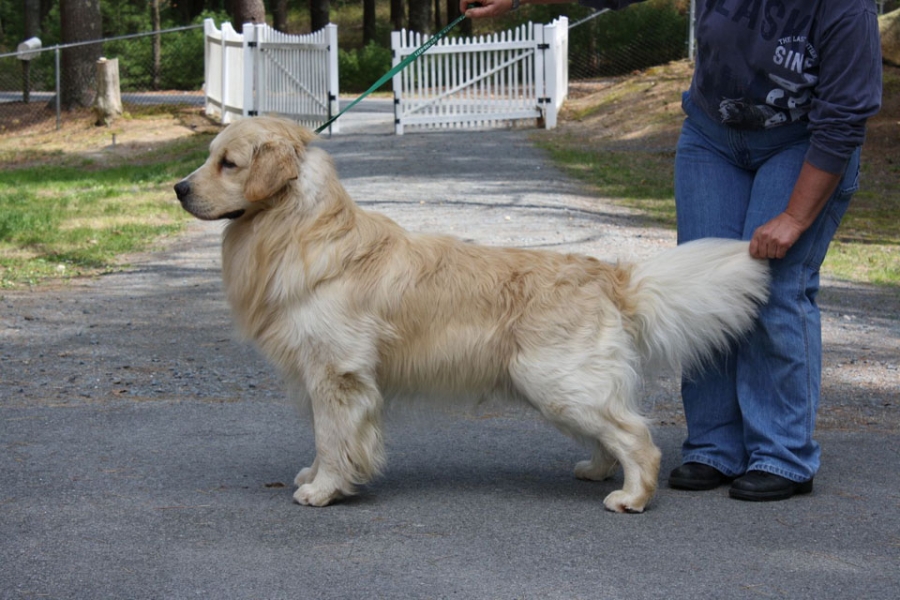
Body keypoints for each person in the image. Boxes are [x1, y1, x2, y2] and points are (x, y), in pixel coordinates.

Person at [462, 0, 883, 501]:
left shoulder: (846, 8)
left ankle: (782, 453)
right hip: (713, 136)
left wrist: (794, 217)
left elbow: (844, 118)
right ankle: (714, 446)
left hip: (801, 140)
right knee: (706, 290)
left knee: (777, 287)